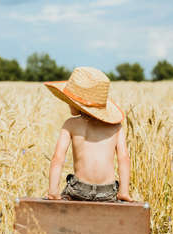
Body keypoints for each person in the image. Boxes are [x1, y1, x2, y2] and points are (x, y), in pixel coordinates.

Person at [44, 66, 133, 202]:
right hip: (107, 191)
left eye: (69, 101)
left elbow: (58, 158)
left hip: (80, 189)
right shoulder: (116, 127)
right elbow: (124, 158)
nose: (68, 104)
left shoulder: (70, 124)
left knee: (66, 195)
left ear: (78, 104)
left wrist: (53, 192)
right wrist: (124, 192)